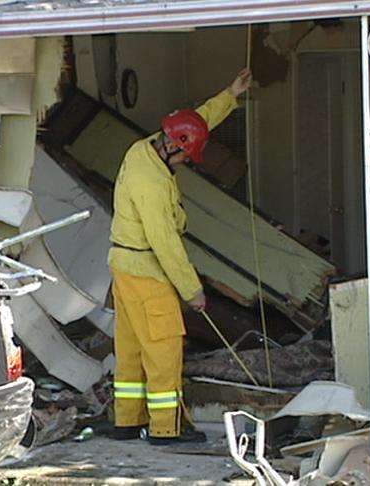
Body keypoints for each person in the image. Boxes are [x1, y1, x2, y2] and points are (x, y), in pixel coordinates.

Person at [108, 68, 253, 445]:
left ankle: (126, 421)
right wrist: (193, 290)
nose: (186, 161)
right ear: (172, 147)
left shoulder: (145, 148)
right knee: (163, 349)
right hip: (146, 270)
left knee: (131, 347)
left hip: (124, 269)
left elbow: (194, 123)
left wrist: (230, 94)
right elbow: (166, 244)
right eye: (186, 156)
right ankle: (165, 429)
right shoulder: (152, 184)